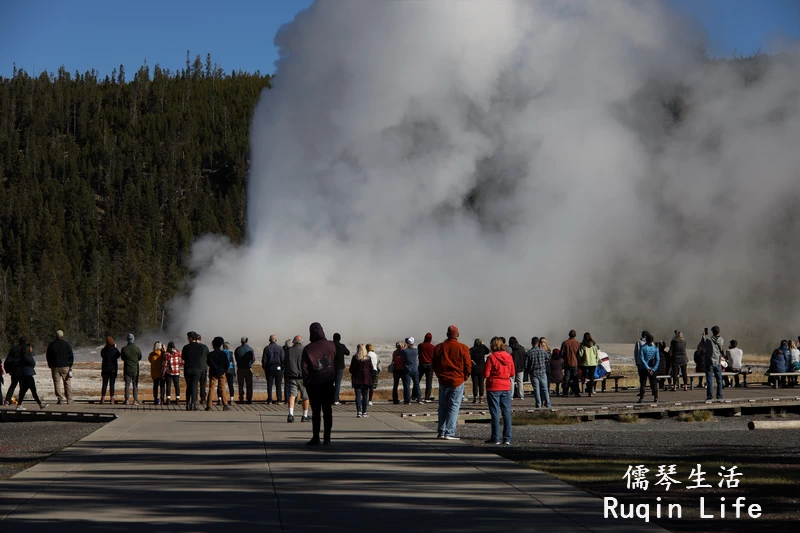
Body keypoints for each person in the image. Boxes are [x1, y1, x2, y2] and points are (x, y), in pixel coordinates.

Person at [432, 325, 471, 441]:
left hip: (443, 380)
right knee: (453, 407)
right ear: (457, 335)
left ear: (447, 334)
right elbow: (468, 365)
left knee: (443, 407)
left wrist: (439, 375)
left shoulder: (439, 347)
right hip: (457, 380)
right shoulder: (463, 348)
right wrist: (465, 377)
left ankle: (441, 431)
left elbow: (434, 364)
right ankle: (449, 432)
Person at [301, 322, 337, 446]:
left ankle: (316, 437)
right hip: (328, 383)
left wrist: (307, 384)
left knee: (316, 412)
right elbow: (336, 364)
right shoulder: (331, 346)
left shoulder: (308, 349)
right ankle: (327, 437)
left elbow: (304, 369)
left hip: (314, 385)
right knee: (328, 411)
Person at [483, 337, 514, 445]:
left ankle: (495, 437)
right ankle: (507, 438)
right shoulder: (509, 357)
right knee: (506, 413)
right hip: (506, 386)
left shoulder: (491, 358)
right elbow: (512, 373)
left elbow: (486, 374)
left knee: (495, 413)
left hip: (494, 387)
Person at [15, 343, 48, 410]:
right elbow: (33, 363)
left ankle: (19, 405)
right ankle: (40, 404)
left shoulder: (24, 355)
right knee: (32, 390)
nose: (31, 349)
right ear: (27, 349)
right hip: (28, 375)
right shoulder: (25, 355)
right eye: (31, 348)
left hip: (26, 374)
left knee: (23, 391)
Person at [46, 330, 75, 405]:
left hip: (55, 366)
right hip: (65, 366)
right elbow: (71, 355)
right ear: (62, 336)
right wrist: (70, 364)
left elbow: (48, 356)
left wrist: (50, 364)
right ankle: (69, 399)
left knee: (56, 383)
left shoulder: (51, 344)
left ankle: (60, 399)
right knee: (67, 383)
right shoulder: (66, 344)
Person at [285, 335, 310, 422]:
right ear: (302, 341)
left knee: (292, 395)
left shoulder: (289, 351)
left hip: (292, 377)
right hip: (303, 377)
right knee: (305, 397)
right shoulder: (305, 350)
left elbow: (285, 363)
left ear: (294, 342)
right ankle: (304, 415)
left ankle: (290, 414)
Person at [205, 337, 231, 411]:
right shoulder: (223, 354)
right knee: (222, 388)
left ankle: (209, 405)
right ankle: (225, 405)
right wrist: (224, 370)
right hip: (221, 372)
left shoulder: (210, 354)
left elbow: (208, 363)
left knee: (211, 388)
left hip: (213, 372)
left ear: (213, 344)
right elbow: (227, 364)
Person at [349, 344, 375, 418]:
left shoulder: (355, 358)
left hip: (357, 379)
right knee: (365, 396)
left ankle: (359, 412)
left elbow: (351, 369)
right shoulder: (368, 358)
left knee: (357, 395)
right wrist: (372, 379)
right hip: (366, 379)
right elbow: (371, 369)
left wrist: (355, 373)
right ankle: (364, 412)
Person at [181, 331, 204, 411]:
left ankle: (187, 403)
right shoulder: (201, 347)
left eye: (188, 337)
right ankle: (193, 404)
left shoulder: (186, 347)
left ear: (191, 338)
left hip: (188, 368)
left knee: (189, 386)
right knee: (194, 386)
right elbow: (200, 355)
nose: (187, 339)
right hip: (197, 368)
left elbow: (183, 357)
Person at [526, 337, 551, 408]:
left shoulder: (529, 353)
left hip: (534, 373)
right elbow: (548, 357)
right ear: (538, 343)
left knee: (536, 389)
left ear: (532, 343)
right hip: (542, 372)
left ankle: (538, 404)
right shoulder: (542, 351)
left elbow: (526, 364)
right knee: (545, 388)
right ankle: (548, 404)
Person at [4, 337, 27, 405]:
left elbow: (8, 360)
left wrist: (8, 370)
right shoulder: (25, 349)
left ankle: (7, 400)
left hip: (15, 370)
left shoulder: (13, 349)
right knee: (22, 386)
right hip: (23, 370)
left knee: (13, 385)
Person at [703, 326, 724, 400]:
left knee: (710, 380)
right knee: (719, 380)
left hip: (710, 362)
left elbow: (704, 346)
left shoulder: (708, 340)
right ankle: (719, 396)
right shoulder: (721, 340)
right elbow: (721, 349)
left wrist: (703, 338)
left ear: (712, 332)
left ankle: (710, 396)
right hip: (717, 362)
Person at [637, 334, 660, 403]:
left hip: (643, 368)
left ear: (646, 340)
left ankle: (641, 398)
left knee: (643, 384)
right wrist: (653, 369)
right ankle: (656, 397)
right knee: (654, 383)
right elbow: (658, 360)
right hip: (652, 368)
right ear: (652, 340)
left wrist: (647, 367)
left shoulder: (643, 348)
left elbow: (642, 359)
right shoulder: (655, 348)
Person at [121, 334, 142, 405]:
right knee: (135, 384)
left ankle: (126, 400)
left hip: (127, 369)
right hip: (135, 369)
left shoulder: (124, 349)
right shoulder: (137, 349)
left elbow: (122, 358)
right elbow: (140, 357)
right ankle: (135, 400)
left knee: (127, 384)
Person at [262, 335, 284, 404]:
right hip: (278, 367)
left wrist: (265, 368)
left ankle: (270, 399)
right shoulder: (280, 348)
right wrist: (282, 368)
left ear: (269, 340)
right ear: (276, 340)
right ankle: (279, 399)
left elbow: (264, 360)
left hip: (269, 368)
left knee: (269, 384)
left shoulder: (267, 348)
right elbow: (283, 359)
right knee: (278, 384)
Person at [560, 330, 581, 397]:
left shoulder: (565, 343)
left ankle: (565, 392)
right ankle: (576, 392)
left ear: (569, 335)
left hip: (567, 363)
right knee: (575, 377)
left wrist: (565, 358)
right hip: (575, 363)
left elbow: (561, 354)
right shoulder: (578, 343)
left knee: (566, 377)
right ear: (575, 335)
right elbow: (579, 354)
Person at [100, 336, 120, 404]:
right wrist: (115, 347)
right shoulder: (114, 350)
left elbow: (102, 355)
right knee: (112, 384)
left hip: (105, 369)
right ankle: (112, 398)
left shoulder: (103, 350)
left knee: (104, 384)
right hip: (113, 369)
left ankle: (102, 398)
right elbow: (118, 355)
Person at [234, 337, 255, 403]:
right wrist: (250, 363)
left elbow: (236, 358)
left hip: (240, 369)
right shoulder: (250, 349)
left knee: (241, 384)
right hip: (248, 368)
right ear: (247, 341)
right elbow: (253, 359)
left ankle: (241, 398)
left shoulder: (237, 349)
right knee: (249, 384)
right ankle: (249, 398)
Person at [578, 332, 599, 397]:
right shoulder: (594, 344)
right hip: (593, 363)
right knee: (591, 377)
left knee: (584, 374)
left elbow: (580, 354)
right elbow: (596, 354)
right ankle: (590, 392)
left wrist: (579, 359)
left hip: (585, 363)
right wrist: (596, 361)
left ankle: (584, 379)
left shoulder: (582, 345)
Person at [332, 333, 351, 405]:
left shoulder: (331, 345)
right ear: (340, 338)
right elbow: (348, 353)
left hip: (331, 367)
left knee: (329, 383)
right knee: (337, 384)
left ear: (333, 338)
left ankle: (328, 398)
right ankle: (336, 400)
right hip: (340, 368)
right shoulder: (341, 346)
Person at [469, 339, 489, 403]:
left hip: (474, 368)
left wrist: (471, 360)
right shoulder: (482, 349)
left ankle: (475, 398)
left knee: (475, 384)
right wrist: (483, 344)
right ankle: (481, 398)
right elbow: (488, 351)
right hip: (482, 368)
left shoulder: (472, 349)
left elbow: (467, 355)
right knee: (481, 383)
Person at [418, 333, 435, 402]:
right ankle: (427, 396)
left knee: (417, 380)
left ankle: (414, 395)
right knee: (429, 382)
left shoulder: (420, 345)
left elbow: (418, 353)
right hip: (430, 365)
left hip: (422, 364)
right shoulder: (432, 347)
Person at [403, 337, 421, 403]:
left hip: (407, 369)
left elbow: (402, 355)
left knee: (407, 385)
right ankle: (419, 398)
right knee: (416, 384)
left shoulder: (405, 351)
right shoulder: (416, 350)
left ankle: (407, 400)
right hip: (415, 369)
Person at [219, 341, 235, 406]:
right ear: (228, 347)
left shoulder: (220, 353)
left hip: (222, 370)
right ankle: (231, 399)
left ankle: (219, 399)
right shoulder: (231, 353)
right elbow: (234, 363)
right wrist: (234, 371)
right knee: (230, 384)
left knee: (221, 385)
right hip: (230, 370)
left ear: (223, 346)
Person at [196, 334, 209, 404]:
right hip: (203, 368)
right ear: (200, 339)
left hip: (195, 368)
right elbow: (208, 355)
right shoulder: (205, 347)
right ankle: (203, 398)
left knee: (194, 384)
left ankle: (195, 399)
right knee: (202, 384)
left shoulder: (193, 347)